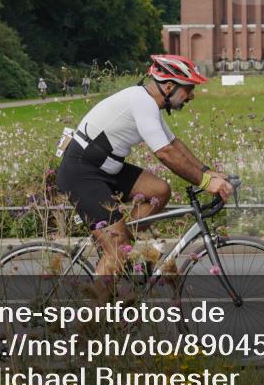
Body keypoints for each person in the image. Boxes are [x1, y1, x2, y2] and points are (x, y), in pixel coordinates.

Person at [56, 54, 233, 279]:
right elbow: (165, 153)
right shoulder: (141, 102)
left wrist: (207, 171)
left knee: (159, 191)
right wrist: (206, 182)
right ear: (169, 86)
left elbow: (173, 143)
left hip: (104, 168)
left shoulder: (147, 102)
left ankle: (122, 249)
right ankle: (105, 282)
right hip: (82, 173)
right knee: (117, 252)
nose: (191, 96)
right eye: (188, 89)